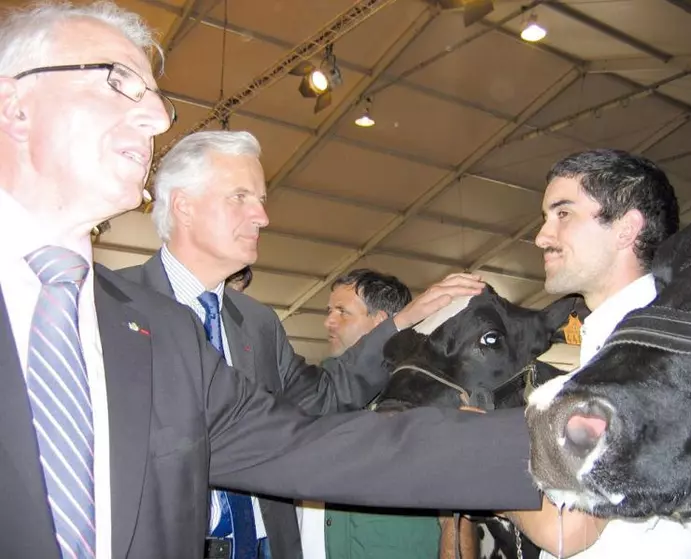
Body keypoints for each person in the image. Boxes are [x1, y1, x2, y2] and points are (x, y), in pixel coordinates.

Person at [0, 3, 543, 559]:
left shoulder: (166, 328)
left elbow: (305, 436)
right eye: (119, 82)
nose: (159, 118)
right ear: (14, 105)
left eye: (154, 97)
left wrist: (546, 440)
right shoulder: (151, 314)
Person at [118, 130, 442, 559]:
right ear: (184, 205)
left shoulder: (258, 323)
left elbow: (323, 398)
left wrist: (399, 323)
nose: (262, 217)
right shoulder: (113, 306)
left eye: (261, 200)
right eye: (240, 197)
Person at [503, 149, 691, 559]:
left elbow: (569, 529)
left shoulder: (684, 359)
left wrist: (478, 467)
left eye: (562, 214)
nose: (542, 236)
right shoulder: (592, 360)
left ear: (625, 228)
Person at [299, 269, 442, 559]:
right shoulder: (317, 390)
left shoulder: (424, 398)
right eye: (329, 311)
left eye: (343, 312)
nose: (329, 322)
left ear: (381, 324)